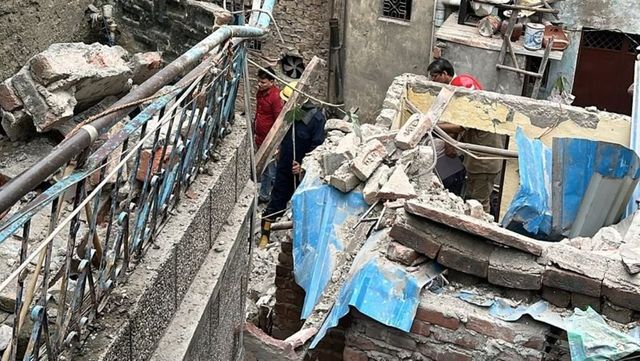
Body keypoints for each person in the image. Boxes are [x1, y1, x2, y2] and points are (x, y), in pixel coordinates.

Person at [427, 58, 504, 214]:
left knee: (479, 203)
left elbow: (460, 125)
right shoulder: (473, 96)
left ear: (444, 74)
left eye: (435, 76)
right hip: (479, 161)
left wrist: (431, 126)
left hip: (484, 163)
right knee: (473, 198)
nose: (433, 81)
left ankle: (480, 232)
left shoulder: (469, 102)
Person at [259, 81, 326, 247]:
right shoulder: (290, 114)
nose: (282, 104)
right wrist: (280, 149)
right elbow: (285, 135)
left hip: (301, 173)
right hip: (284, 166)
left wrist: (303, 165)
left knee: (302, 208)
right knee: (275, 203)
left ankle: (299, 243)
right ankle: (264, 238)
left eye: (285, 101)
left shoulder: (317, 119)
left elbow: (318, 147)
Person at [254, 67, 284, 203]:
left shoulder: (275, 97)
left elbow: (279, 120)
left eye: (263, 82)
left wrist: (276, 142)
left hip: (269, 139)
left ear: (272, 81)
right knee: (265, 166)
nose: (260, 84)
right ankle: (269, 188)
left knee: (268, 168)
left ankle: (265, 196)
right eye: (259, 81)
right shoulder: (260, 93)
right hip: (259, 136)